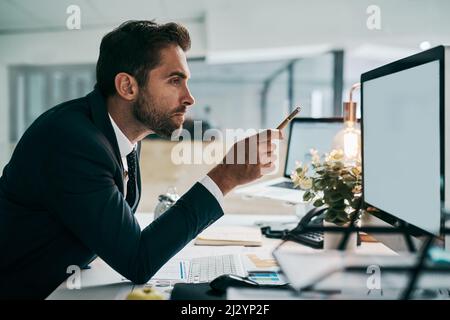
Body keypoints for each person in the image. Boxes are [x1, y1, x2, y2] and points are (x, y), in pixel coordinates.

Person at [0, 20, 281, 299]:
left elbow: (116, 229)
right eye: (174, 81)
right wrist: (226, 176)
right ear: (127, 86)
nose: (189, 98)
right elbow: (137, 260)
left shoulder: (123, 134)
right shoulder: (73, 142)